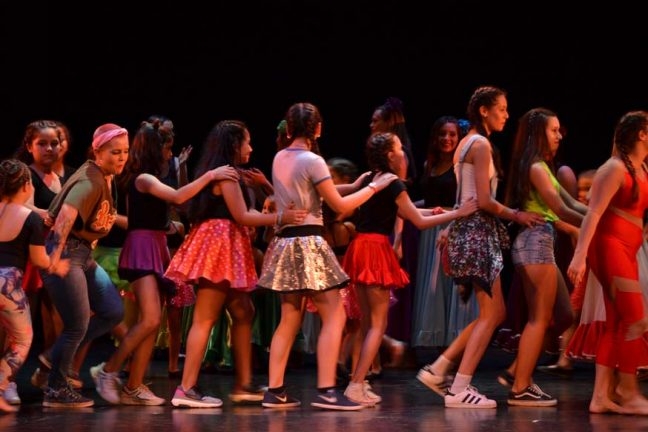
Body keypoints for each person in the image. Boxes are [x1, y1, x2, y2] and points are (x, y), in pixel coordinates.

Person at [258, 102, 398, 411]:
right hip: (309, 243)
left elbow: (315, 189)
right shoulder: (314, 160)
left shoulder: (280, 157)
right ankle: (327, 391)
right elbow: (340, 206)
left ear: (289, 128)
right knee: (335, 314)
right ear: (318, 129)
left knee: (289, 317)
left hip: (286, 243)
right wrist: (374, 188)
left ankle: (275, 390)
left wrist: (356, 185)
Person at [91, 121, 239, 406]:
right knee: (150, 319)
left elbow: (177, 203)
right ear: (154, 149)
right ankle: (108, 371)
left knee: (152, 321)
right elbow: (178, 196)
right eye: (167, 148)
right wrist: (211, 175)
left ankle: (134, 386)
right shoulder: (143, 178)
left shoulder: (153, 178)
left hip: (155, 247)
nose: (169, 154)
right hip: (141, 249)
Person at [416, 85, 544, 409]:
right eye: (501, 109)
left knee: (494, 312)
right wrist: (517, 215)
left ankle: (441, 370)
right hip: (477, 233)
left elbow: (467, 198)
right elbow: (483, 201)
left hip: (468, 230)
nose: (506, 115)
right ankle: (459, 387)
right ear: (484, 110)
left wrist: (452, 228)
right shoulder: (481, 143)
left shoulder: (465, 143)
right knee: (492, 314)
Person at [166, 119, 307, 408]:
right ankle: (186, 388)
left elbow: (247, 213)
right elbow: (242, 215)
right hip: (218, 247)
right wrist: (282, 218)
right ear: (233, 144)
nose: (251, 148)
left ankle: (243, 384)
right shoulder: (226, 176)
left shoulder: (233, 175)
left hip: (227, 245)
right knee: (205, 317)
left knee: (244, 311)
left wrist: (266, 193)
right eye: (247, 142)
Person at [342, 131, 478, 405]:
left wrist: (439, 211)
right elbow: (419, 222)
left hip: (361, 247)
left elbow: (407, 212)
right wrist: (459, 213)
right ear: (390, 155)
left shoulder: (372, 179)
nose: (404, 153)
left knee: (368, 323)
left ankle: (359, 380)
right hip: (376, 250)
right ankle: (355, 384)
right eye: (399, 148)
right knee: (378, 324)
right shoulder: (393, 183)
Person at [38, 123, 131, 408]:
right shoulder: (90, 180)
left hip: (83, 255)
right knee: (77, 325)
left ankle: (53, 356)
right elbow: (65, 216)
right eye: (115, 152)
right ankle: (55, 389)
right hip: (66, 253)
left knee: (113, 311)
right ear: (97, 151)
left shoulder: (105, 175)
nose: (122, 157)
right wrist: (55, 259)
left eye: (125, 151)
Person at [500, 107, 587, 406]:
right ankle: (521, 386)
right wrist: (595, 223)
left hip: (540, 244)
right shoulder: (536, 167)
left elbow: (572, 202)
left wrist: (600, 214)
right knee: (539, 318)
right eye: (554, 130)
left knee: (564, 315)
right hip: (535, 243)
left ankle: (518, 370)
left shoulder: (544, 167)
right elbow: (561, 209)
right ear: (539, 133)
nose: (559, 136)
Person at [566, 110, 648, 415]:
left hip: (628, 250)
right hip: (609, 247)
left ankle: (600, 397)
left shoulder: (641, 169)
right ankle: (628, 391)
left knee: (616, 323)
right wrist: (579, 257)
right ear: (641, 133)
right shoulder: (613, 168)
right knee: (635, 319)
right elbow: (593, 214)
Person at [0, 159, 69, 412]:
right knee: (21, 339)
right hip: (7, 287)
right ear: (26, 186)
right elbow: (39, 260)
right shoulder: (29, 218)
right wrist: (56, 265)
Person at [411, 116, 478, 351]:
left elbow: (468, 201)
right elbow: (430, 200)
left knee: (451, 287)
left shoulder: (461, 166)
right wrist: (408, 208)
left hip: (453, 228)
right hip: (431, 230)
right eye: (442, 134)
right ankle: (439, 344)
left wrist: (451, 218)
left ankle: (455, 345)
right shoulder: (429, 165)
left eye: (452, 134)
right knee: (434, 287)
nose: (446, 138)